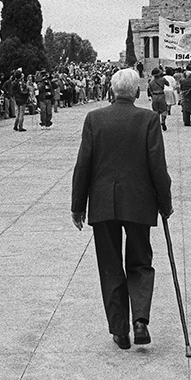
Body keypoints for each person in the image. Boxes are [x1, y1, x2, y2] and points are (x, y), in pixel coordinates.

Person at [71, 68, 173, 350]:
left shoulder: (95, 119)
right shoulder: (149, 120)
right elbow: (158, 167)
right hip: (139, 203)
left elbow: (83, 165)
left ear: (112, 92)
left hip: (103, 204)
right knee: (140, 262)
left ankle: (119, 330)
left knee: (110, 266)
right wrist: (165, 203)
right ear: (137, 92)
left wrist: (78, 206)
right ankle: (140, 320)